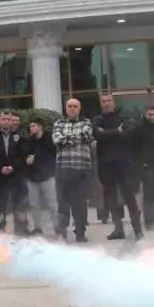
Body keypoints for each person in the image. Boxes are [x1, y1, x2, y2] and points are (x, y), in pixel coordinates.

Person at [93, 94, 143, 241]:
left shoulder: (124, 116)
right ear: (101, 104)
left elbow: (128, 132)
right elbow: (98, 135)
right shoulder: (97, 120)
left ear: (113, 102)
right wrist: (116, 132)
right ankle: (118, 229)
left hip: (123, 163)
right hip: (106, 165)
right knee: (111, 199)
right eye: (103, 101)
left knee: (130, 197)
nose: (106, 103)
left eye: (109, 101)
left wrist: (107, 133)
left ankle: (138, 230)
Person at [52, 99, 93, 243]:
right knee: (62, 204)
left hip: (80, 170)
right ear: (65, 108)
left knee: (79, 204)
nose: (72, 109)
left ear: (79, 109)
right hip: (62, 170)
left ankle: (80, 233)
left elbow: (86, 135)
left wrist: (66, 139)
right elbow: (56, 140)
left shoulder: (86, 122)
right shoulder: (59, 123)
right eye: (69, 106)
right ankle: (62, 233)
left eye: (75, 106)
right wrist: (73, 139)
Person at [0, 111, 28, 236]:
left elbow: (22, 155)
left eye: (8, 119)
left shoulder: (19, 136)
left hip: (16, 175)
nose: (6, 121)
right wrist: (0, 167)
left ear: (12, 121)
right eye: (3, 119)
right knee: (0, 205)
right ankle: (0, 231)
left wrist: (13, 167)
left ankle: (20, 232)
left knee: (19, 203)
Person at [130, 105, 154, 230]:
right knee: (149, 195)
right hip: (147, 167)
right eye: (150, 114)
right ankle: (149, 222)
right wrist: (140, 163)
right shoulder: (139, 129)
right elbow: (133, 148)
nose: (152, 117)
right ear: (145, 114)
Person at [20, 118, 56, 237]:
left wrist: (36, 158)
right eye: (30, 126)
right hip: (32, 177)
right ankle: (37, 227)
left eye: (34, 126)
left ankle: (58, 228)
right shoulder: (29, 140)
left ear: (40, 126)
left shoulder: (49, 138)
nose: (32, 129)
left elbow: (51, 154)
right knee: (34, 204)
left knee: (53, 204)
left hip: (47, 176)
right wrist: (27, 159)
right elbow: (24, 154)